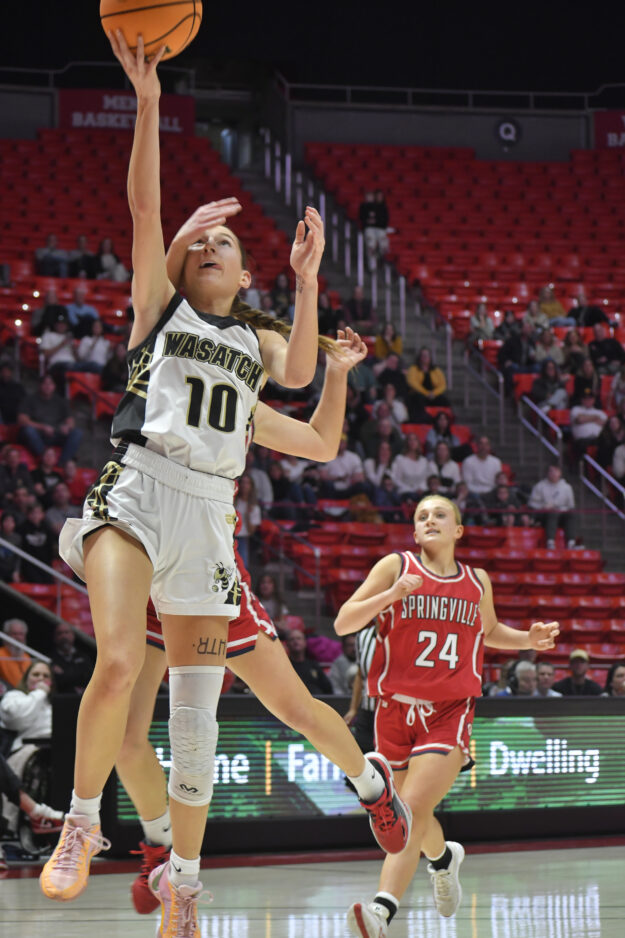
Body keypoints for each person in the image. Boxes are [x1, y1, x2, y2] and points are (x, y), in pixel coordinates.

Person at [40, 33, 408, 929]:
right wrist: (153, 106)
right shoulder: (158, 312)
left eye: (224, 241)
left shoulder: (249, 352)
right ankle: (87, 823)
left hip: (207, 527)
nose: (210, 242)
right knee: (121, 669)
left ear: (247, 275)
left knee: (213, 721)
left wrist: (310, 286)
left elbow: (308, 412)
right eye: (198, 240)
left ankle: (188, 882)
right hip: (137, 490)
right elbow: (139, 210)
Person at [111, 330, 412, 918]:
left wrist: (338, 371)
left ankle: (372, 785)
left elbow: (323, 443)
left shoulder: (239, 397)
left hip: (207, 566)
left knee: (293, 707)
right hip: (144, 555)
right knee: (126, 738)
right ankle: (163, 846)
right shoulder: (158, 355)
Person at [334, 494, 559, 936]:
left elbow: (489, 631)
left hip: (449, 710)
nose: (430, 519)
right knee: (407, 816)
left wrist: (527, 639)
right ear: (414, 532)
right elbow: (343, 622)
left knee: (411, 809)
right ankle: (443, 859)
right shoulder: (396, 567)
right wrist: (391, 595)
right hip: (393, 710)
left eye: (440, 514)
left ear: (458, 530)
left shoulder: (477, 581)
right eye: (422, 516)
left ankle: (381, 911)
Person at [17, 373, 83, 466]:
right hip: (37, 435)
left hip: (55, 433)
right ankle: (44, 459)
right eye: (45, 383)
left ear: (54, 386)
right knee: (28, 430)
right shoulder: (30, 399)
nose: (48, 386)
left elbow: (70, 421)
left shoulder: (61, 401)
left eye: (50, 384)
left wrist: (67, 427)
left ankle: (62, 463)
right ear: (40, 385)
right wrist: (42, 427)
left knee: (77, 433)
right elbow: (22, 420)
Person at [0, 660, 53, 753]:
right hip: (26, 750)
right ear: (26, 679)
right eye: (36, 674)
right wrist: (40, 692)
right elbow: (16, 720)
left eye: (46, 676)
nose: (41, 678)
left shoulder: (52, 705)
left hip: (54, 749)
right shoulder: (14, 696)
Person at [528, 463, 578, 549]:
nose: (553, 473)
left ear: (560, 473)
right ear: (548, 473)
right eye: (551, 471)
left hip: (562, 513)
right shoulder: (540, 486)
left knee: (571, 514)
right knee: (553, 513)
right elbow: (532, 503)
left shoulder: (566, 487)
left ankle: (571, 542)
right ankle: (550, 542)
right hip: (544, 514)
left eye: (556, 471)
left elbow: (571, 505)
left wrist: (562, 508)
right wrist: (544, 506)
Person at [49, 622, 94, 695]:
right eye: (60, 633)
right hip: (61, 699)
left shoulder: (83, 657)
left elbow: (90, 678)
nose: (64, 636)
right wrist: (77, 675)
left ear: (73, 636)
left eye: (66, 632)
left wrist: (63, 674)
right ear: (55, 638)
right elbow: (56, 682)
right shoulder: (50, 659)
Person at [405, 346, 450, 418]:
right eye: (423, 355)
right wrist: (426, 393)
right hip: (418, 394)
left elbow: (443, 385)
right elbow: (412, 383)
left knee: (444, 400)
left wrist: (434, 393)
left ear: (430, 358)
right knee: (418, 398)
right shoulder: (413, 369)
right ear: (419, 357)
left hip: (433, 395)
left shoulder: (436, 370)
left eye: (427, 355)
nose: (425, 357)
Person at [286, 629, 333, 695]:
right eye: (292, 639)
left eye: (299, 638)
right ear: (287, 644)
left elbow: (328, 689)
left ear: (305, 643)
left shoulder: (314, 665)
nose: (295, 641)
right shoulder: (284, 666)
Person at [390, 434, 434, 501]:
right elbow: (396, 479)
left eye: (415, 440)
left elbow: (426, 479)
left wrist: (421, 488)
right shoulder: (399, 459)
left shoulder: (423, 460)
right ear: (406, 442)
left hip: (422, 492)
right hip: (405, 492)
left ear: (418, 443)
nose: (412, 442)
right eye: (410, 440)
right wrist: (412, 489)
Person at [232, 473, 261, 567]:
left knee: (242, 567)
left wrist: (248, 515)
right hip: (229, 536)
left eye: (247, 483)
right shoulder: (231, 501)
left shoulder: (254, 507)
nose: (245, 485)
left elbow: (251, 531)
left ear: (251, 486)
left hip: (243, 539)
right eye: (243, 482)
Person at [570, 390, 608, 458]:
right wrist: (595, 418)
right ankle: (582, 466)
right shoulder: (576, 409)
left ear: (594, 399)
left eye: (590, 398)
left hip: (599, 439)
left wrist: (587, 418)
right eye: (585, 398)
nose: (587, 400)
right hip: (582, 440)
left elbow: (605, 424)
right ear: (582, 399)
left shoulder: (600, 412)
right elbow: (580, 420)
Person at [0, 619, 31, 689]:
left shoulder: (27, 657)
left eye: (21, 634)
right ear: (6, 635)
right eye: (14, 634)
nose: (18, 637)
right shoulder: (0, 655)